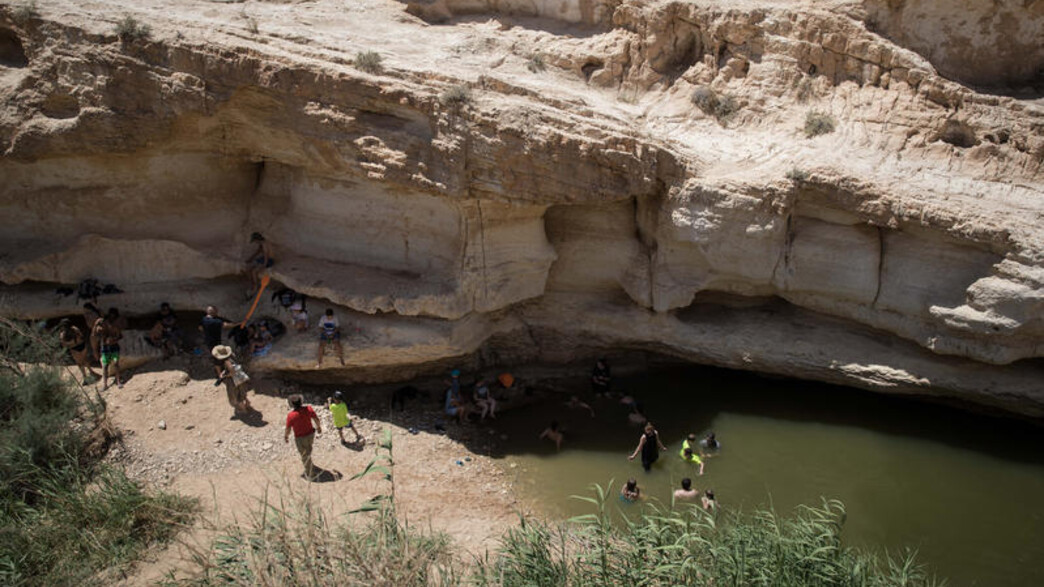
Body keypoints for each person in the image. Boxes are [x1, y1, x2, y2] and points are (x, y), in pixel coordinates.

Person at [284, 394, 322, 479]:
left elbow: (288, 428)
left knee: (304, 454)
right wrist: (318, 427)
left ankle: (310, 474)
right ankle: (310, 464)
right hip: (310, 434)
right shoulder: (308, 409)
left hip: (300, 437)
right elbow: (316, 419)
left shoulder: (291, 416)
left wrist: (286, 436)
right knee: (308, 448)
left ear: (292, 404)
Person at [200, 306, 235, 384]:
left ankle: (219, 373)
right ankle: (220, 374)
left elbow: (200, 328)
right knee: (218, 357)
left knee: (215, 356)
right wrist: (239, 323)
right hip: (216, 342)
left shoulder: (204, 320)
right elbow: (227, 325)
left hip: (208, 342)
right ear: (215, 312)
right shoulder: (216, 321)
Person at [58, 318, 99, 383]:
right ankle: (88, 374)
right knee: (82, 361)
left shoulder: (68, 332)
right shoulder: (68, 331)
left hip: (77, 347)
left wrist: (71, 343)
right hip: (78, 346)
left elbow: (65, 344)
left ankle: (87, 374)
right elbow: (80, 336)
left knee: (82, 362)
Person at [213, 345, 251, 414]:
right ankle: (247, 403)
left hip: (232, 381)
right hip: (240, 378)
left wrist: (224, 376)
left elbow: (232, 372)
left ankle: (243, 410)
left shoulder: (226, 362)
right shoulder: (232, 356)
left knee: (235, 396)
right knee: (242, 392)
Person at [93, 308, 124, 390]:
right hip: (105, 347)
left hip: (113, 346)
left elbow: (120, 336)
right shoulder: (102, 323)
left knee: (116, 363)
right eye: (112, 316)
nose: (112, 318)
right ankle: (105, 384)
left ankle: (118, 382)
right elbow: (96, 335)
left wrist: (113, 339)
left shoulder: (115, 325)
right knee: (105, 366)